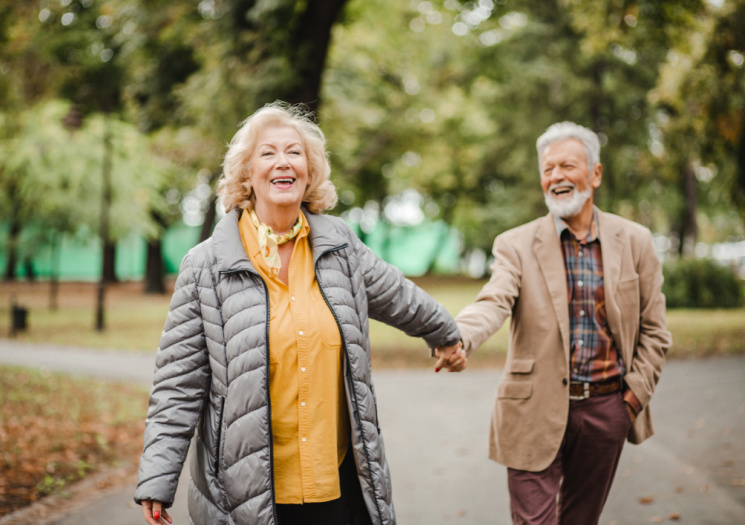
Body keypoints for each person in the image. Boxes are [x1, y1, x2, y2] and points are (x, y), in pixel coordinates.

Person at [133, 102, 465, 525]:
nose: (282, 163)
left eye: (294, 152)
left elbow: (398, 295)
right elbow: (178, 383)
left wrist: (446, 334)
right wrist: (158, 477)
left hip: (338, 486)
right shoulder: (206, 266)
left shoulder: (339, 247)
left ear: (310, 171)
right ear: (247, 174)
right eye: (267, 153)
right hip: (246, 495)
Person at [454, 122, 671, 524]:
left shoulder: (636, 240)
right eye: (547, 169)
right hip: (531, 408)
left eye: (567, 166)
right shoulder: (515, 244)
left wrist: (632, 399)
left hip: (608, 409)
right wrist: (459, 336)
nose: (555, 177)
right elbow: (493, 300)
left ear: (595, 173)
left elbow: (655, 330)